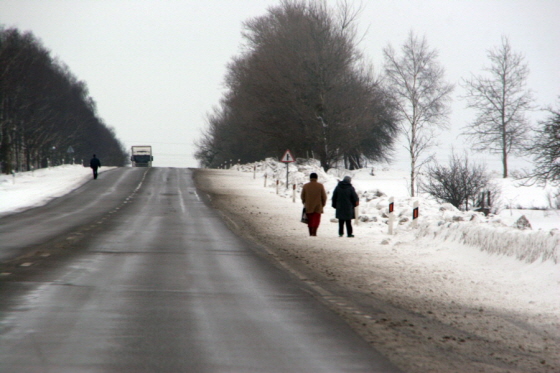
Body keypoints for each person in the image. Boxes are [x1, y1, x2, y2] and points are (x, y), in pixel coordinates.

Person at [300, 172, 327, 236]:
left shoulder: (306, 186)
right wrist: (323, 204)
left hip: (308, 205)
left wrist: (304, 202)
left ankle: (310, 232)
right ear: (316, 178)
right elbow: (324, 196)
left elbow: (302, 196)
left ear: (310, 178)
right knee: (316, 219)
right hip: (318, 206)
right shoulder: (320, 186)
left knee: (310, 219)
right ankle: (314, 232)